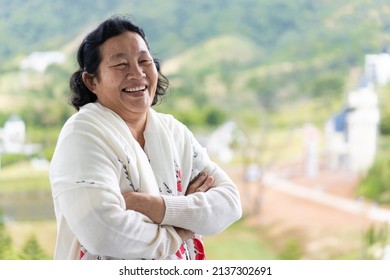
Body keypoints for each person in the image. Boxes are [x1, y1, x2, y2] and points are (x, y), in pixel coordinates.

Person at [49, 15, 242, 260]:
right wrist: (180, 231)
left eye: (144, 61)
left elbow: (229, 204)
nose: (137, 73)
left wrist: (147, 205)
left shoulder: (174, 132)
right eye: (120, 65)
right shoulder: (83, 135)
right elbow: (102, 231)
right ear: (91, 81)